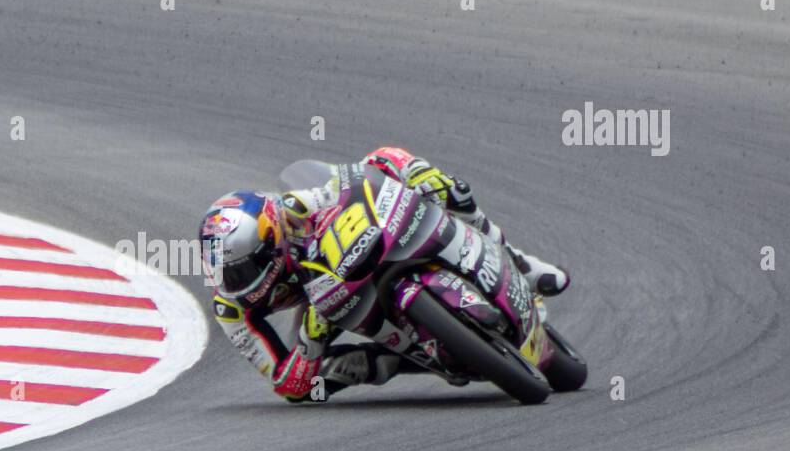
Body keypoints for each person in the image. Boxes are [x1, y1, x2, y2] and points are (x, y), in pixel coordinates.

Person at [200, 146, 569, 402]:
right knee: (310, 387)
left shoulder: (294, 208)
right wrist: (310, 343)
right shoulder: (232, 310)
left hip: (350, 254)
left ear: (272, 237)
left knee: (401, 166)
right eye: (228, 275)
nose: (239, 283)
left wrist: (407, 178)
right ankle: (390, 361)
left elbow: (351, 180)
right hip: (319, 308)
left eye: (245, 268)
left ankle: (516, 259)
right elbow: (285, 382)